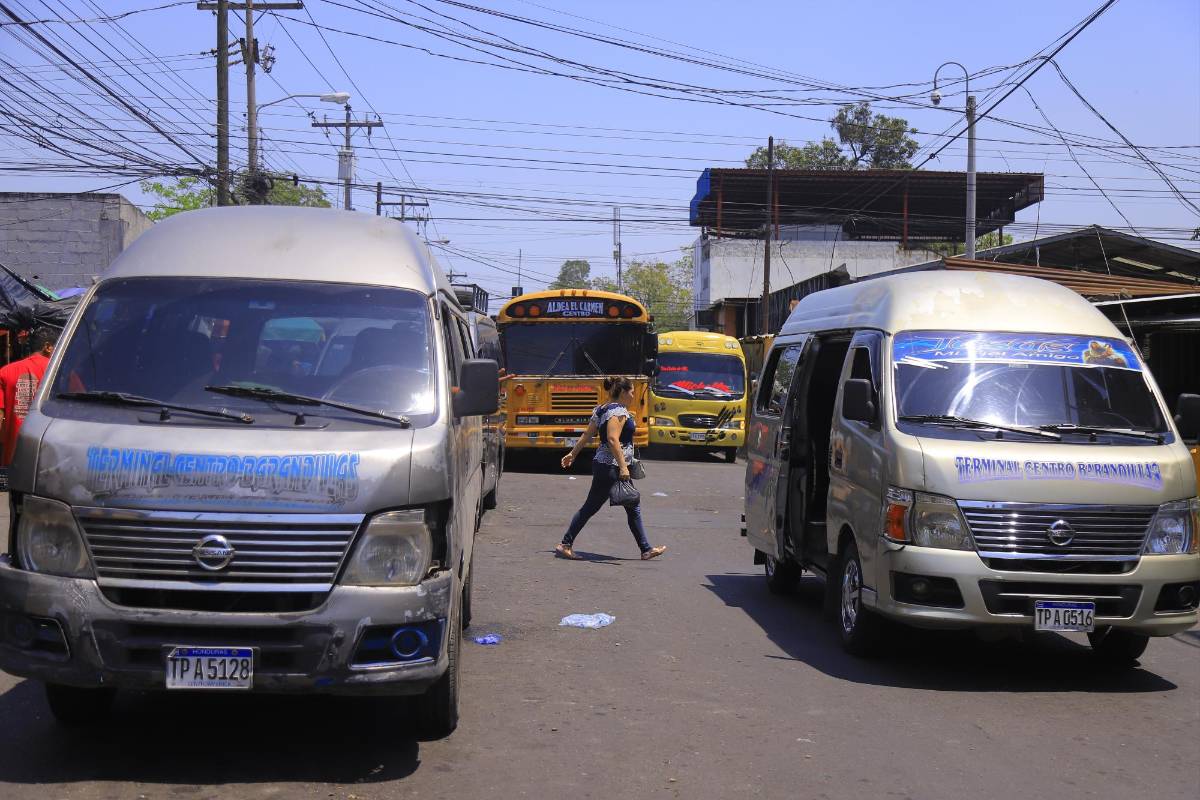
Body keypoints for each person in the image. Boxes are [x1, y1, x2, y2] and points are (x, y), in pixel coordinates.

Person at [556, 376, 667, 561]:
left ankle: (646, 549)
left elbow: (587, 434)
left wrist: (572, 454)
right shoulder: (619, 411)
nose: (633, 395)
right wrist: (624, 467)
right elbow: (613, 439)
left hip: (606, 464)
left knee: (632, 505)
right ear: (623, 392)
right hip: (612, 467)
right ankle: (565, 544)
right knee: (591, 506)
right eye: (631, 392)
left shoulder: (602, 409)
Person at [0, 327, 57, 465]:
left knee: (6, 485)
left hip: (11, 458)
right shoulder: (61, 372)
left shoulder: (5, 371)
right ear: (48, 347)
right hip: (48, 462)